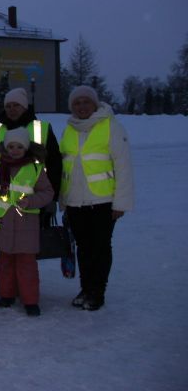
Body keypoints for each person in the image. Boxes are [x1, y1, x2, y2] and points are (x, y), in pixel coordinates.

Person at [59, 86, 133, 311]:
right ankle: (85, 288)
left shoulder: (111, 127)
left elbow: (123, 167)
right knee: (83, 247)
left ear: (95, 104)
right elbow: (65, 167)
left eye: (86, 102)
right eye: (77, 103)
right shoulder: (69, 129)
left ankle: (97, 291)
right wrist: (64, 199)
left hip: (102, 201)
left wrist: (120, 203)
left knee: (100, 247)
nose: (82, 107)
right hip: (75, 201)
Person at [0, 128, 54, 317]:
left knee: (26, 265)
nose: (14, 150)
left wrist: (31, 201)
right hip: (2, 222)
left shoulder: (35, 169)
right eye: (11, 146)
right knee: (4, 263)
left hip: (26, 225)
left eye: (19, 146)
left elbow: (47, 193)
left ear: (26, 148)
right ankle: (7, 294)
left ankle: (30, 300)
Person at [0, 87, 62, 230]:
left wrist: (52, 198)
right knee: (4, 246)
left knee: (31, 247)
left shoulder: (41, 129)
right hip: (2, 201)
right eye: (8, 106)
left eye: (16, 105)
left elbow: (54, 164)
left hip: (35, 201)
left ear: (24, 106)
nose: (12, 109)